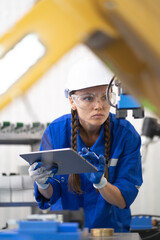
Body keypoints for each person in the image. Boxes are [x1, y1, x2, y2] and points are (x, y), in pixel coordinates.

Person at [28, 55, 143, 232]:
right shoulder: (56, 132)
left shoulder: (126, 135)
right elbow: (51, 194)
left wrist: (101, 183)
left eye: (105, 97)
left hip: (111, 232)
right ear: (72, 101)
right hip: (67, 232)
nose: (99, 106)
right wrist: (42, 184)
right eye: (88, 98)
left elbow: (123, 199)